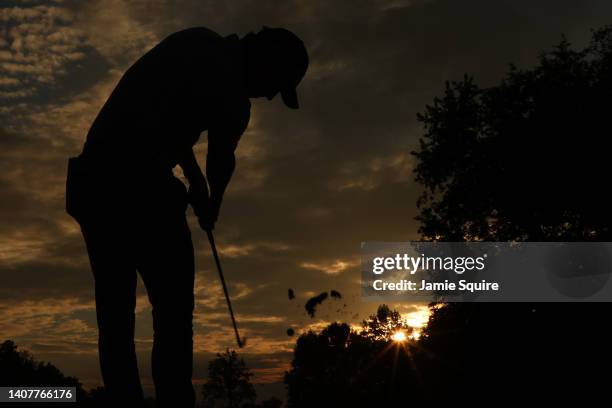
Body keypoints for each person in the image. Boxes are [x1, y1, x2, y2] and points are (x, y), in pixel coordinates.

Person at [65, 26, 308, 407]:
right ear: (269, 61)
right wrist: (213, 203)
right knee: (173, 317)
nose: (272, 95)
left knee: (115, 316)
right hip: (136, 183)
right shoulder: (234, 91)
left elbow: (167, 122)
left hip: (92, 182)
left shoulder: (195, 41)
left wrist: (193, 180)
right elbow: (221, 157)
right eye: (279, 84)